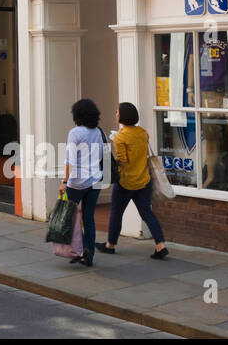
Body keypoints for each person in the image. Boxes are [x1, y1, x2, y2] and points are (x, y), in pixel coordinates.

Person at [97, 102, 169, 259]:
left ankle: (110, 245)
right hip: (144, 180)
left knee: (116, 213)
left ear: (123, 116)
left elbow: (122, 161)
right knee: (147, 213)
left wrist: (112, 162)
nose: (116, 114)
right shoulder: (143, 132)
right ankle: (160, 245)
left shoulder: (121, 137)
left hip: (126, 182)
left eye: (117, 112)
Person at [59, 98, 106, 267]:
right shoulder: (98, 132)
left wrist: (64, 181)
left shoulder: (75, 133)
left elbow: (69, 160)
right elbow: (101, 156)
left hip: (77, 182)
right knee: (89, 217)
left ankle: (78, 250)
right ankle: (89, 253)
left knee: (70, 217)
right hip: (95, 180)